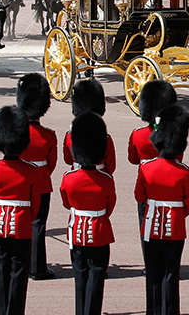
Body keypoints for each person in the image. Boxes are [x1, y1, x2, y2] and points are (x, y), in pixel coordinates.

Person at [135, 104, 189, 315]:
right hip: (175, 227)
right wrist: (176, 213)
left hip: (151, 224)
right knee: (171, 273)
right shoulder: (183, 172)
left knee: (153, 272)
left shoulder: (146, 168)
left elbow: (139, 196)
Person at [0, 106, 40, 315]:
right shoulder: (31, 170)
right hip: (22, 226)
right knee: (19, 272)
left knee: (0, 270)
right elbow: (35, 203)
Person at [60, 111, 116, 315]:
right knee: (97, 274)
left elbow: (67, 203)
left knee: (80, 275)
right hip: (100, 231)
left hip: (76, 231)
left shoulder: (69, 178)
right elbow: (109, 208)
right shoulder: (106, 180)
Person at [130, 80, 180, 283]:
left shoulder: (138, 135)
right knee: (169, 225)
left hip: (146, 183)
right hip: (170, 183)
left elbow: (133, 159)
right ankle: (168, 264)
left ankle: (149, 263)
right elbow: (179, 158)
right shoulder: (173, 133)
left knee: (146, 225)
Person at [16, 73, 57, 281]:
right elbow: (52, 164)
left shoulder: (16, 131)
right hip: (41, 182)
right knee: (38, 224)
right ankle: (38, 268)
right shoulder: (49, 135)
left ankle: (21, 263)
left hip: (19, 180)